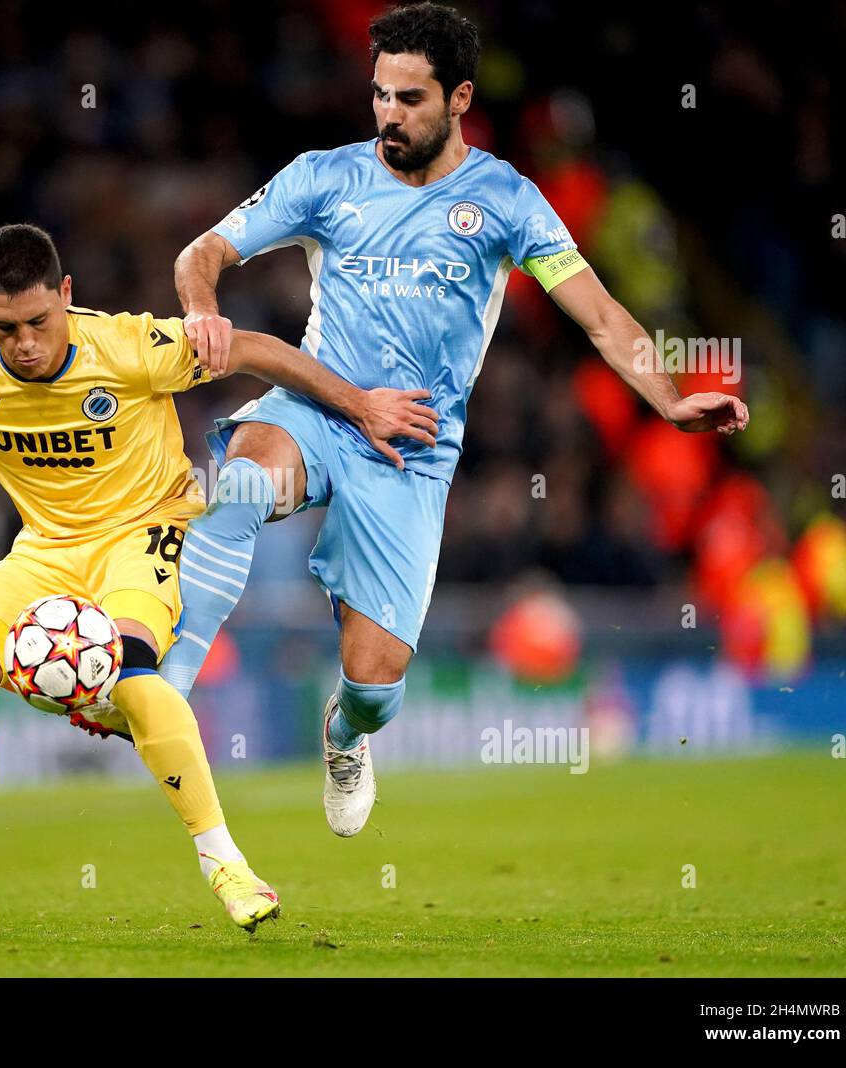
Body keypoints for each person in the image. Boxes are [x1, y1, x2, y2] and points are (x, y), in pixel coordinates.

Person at [157, 3, 749, 837]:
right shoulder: (326, 177)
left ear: (461, 97)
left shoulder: (508, 201)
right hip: (321, 405)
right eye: (379, 96)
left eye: (410, 99)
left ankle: (344, 734)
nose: (388, 115)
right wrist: (202, 311)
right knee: (244, 484)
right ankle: (167, 687)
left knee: (373, 685)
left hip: (411, 451)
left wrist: (669, 398)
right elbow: (201, 254)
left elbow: (601, 314)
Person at [0, 222, 434, 935]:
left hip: (145, 533)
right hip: (44, 549)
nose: (26, 343)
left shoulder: (131, 346)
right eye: (5, 328)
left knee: (130, 672)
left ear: (66, 295)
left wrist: (361, 405)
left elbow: (258, 351)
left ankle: (225, 864)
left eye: (39, 320)